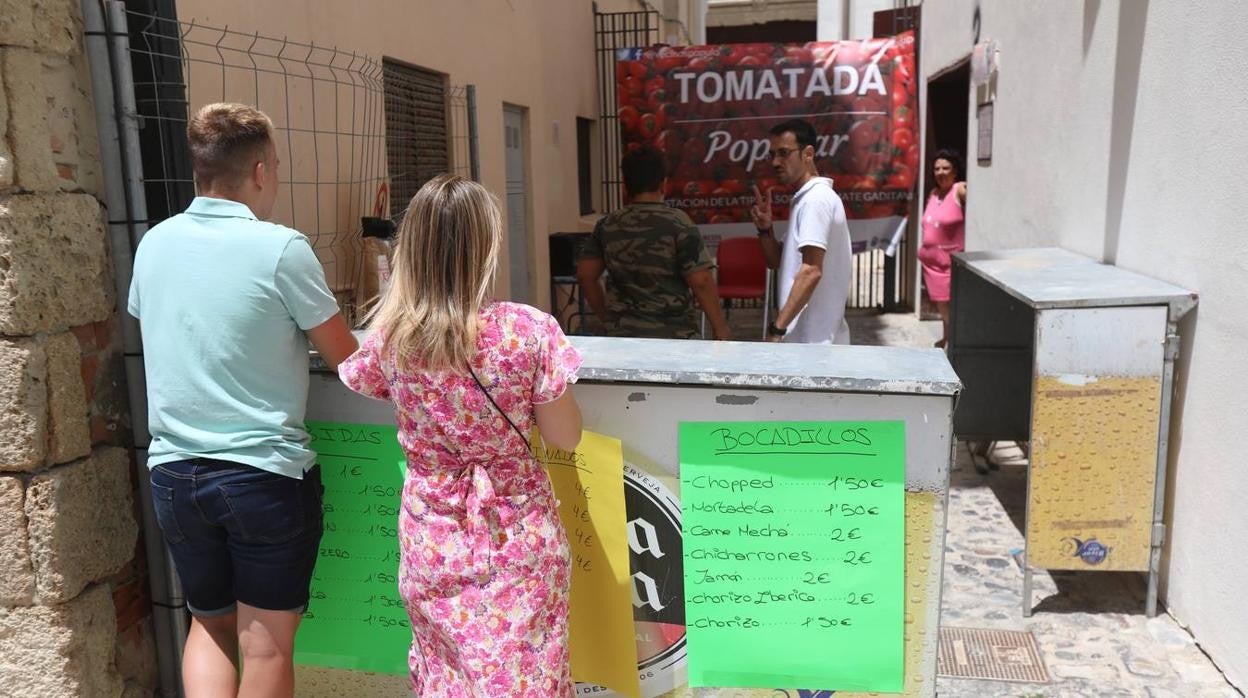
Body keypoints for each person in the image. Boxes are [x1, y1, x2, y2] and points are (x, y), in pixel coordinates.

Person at [127, 103, 358, 697]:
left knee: (209, 623)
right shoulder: (281, 248)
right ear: (259, 171)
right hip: (262, 476)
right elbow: (347, 358)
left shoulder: (153, 243)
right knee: (266, 643)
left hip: (174, 475)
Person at [337, 174, 584, 696]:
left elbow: (362, 379)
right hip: (517, 532)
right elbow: (565, 437)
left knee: (446, 680)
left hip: (432, 535)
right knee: (526, 680)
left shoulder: (391, 338)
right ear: (486, 247)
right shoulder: (527, 330)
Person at [576, 144, 732, 340]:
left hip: (623, 337)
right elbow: (701, 281)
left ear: (625, 185)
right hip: (675, 337)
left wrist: (608, 319)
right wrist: (720, 328)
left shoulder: (607, 225)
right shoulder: (678, 223)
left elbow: (585, 276)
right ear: (663, 184)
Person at [751, 118, 853, 344]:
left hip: (813, 343)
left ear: (808, 154)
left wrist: (777, 329)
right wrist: (765, 230)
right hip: (809, 340)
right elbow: (777, 261)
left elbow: (810, 271)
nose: (775, 162)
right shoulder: (806, 198)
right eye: (772, 155)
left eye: (784, 153)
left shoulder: (815, 200)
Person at [918, 148, 967, 348]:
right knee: (942, 305)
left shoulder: (960, 189)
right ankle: (948, 338)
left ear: (955, 171)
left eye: (946, 168)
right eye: (937, 168)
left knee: (949, 306)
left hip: (949, 264)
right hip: (932, 266)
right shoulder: (934, 193)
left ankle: (957, 342)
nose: (940, 172)